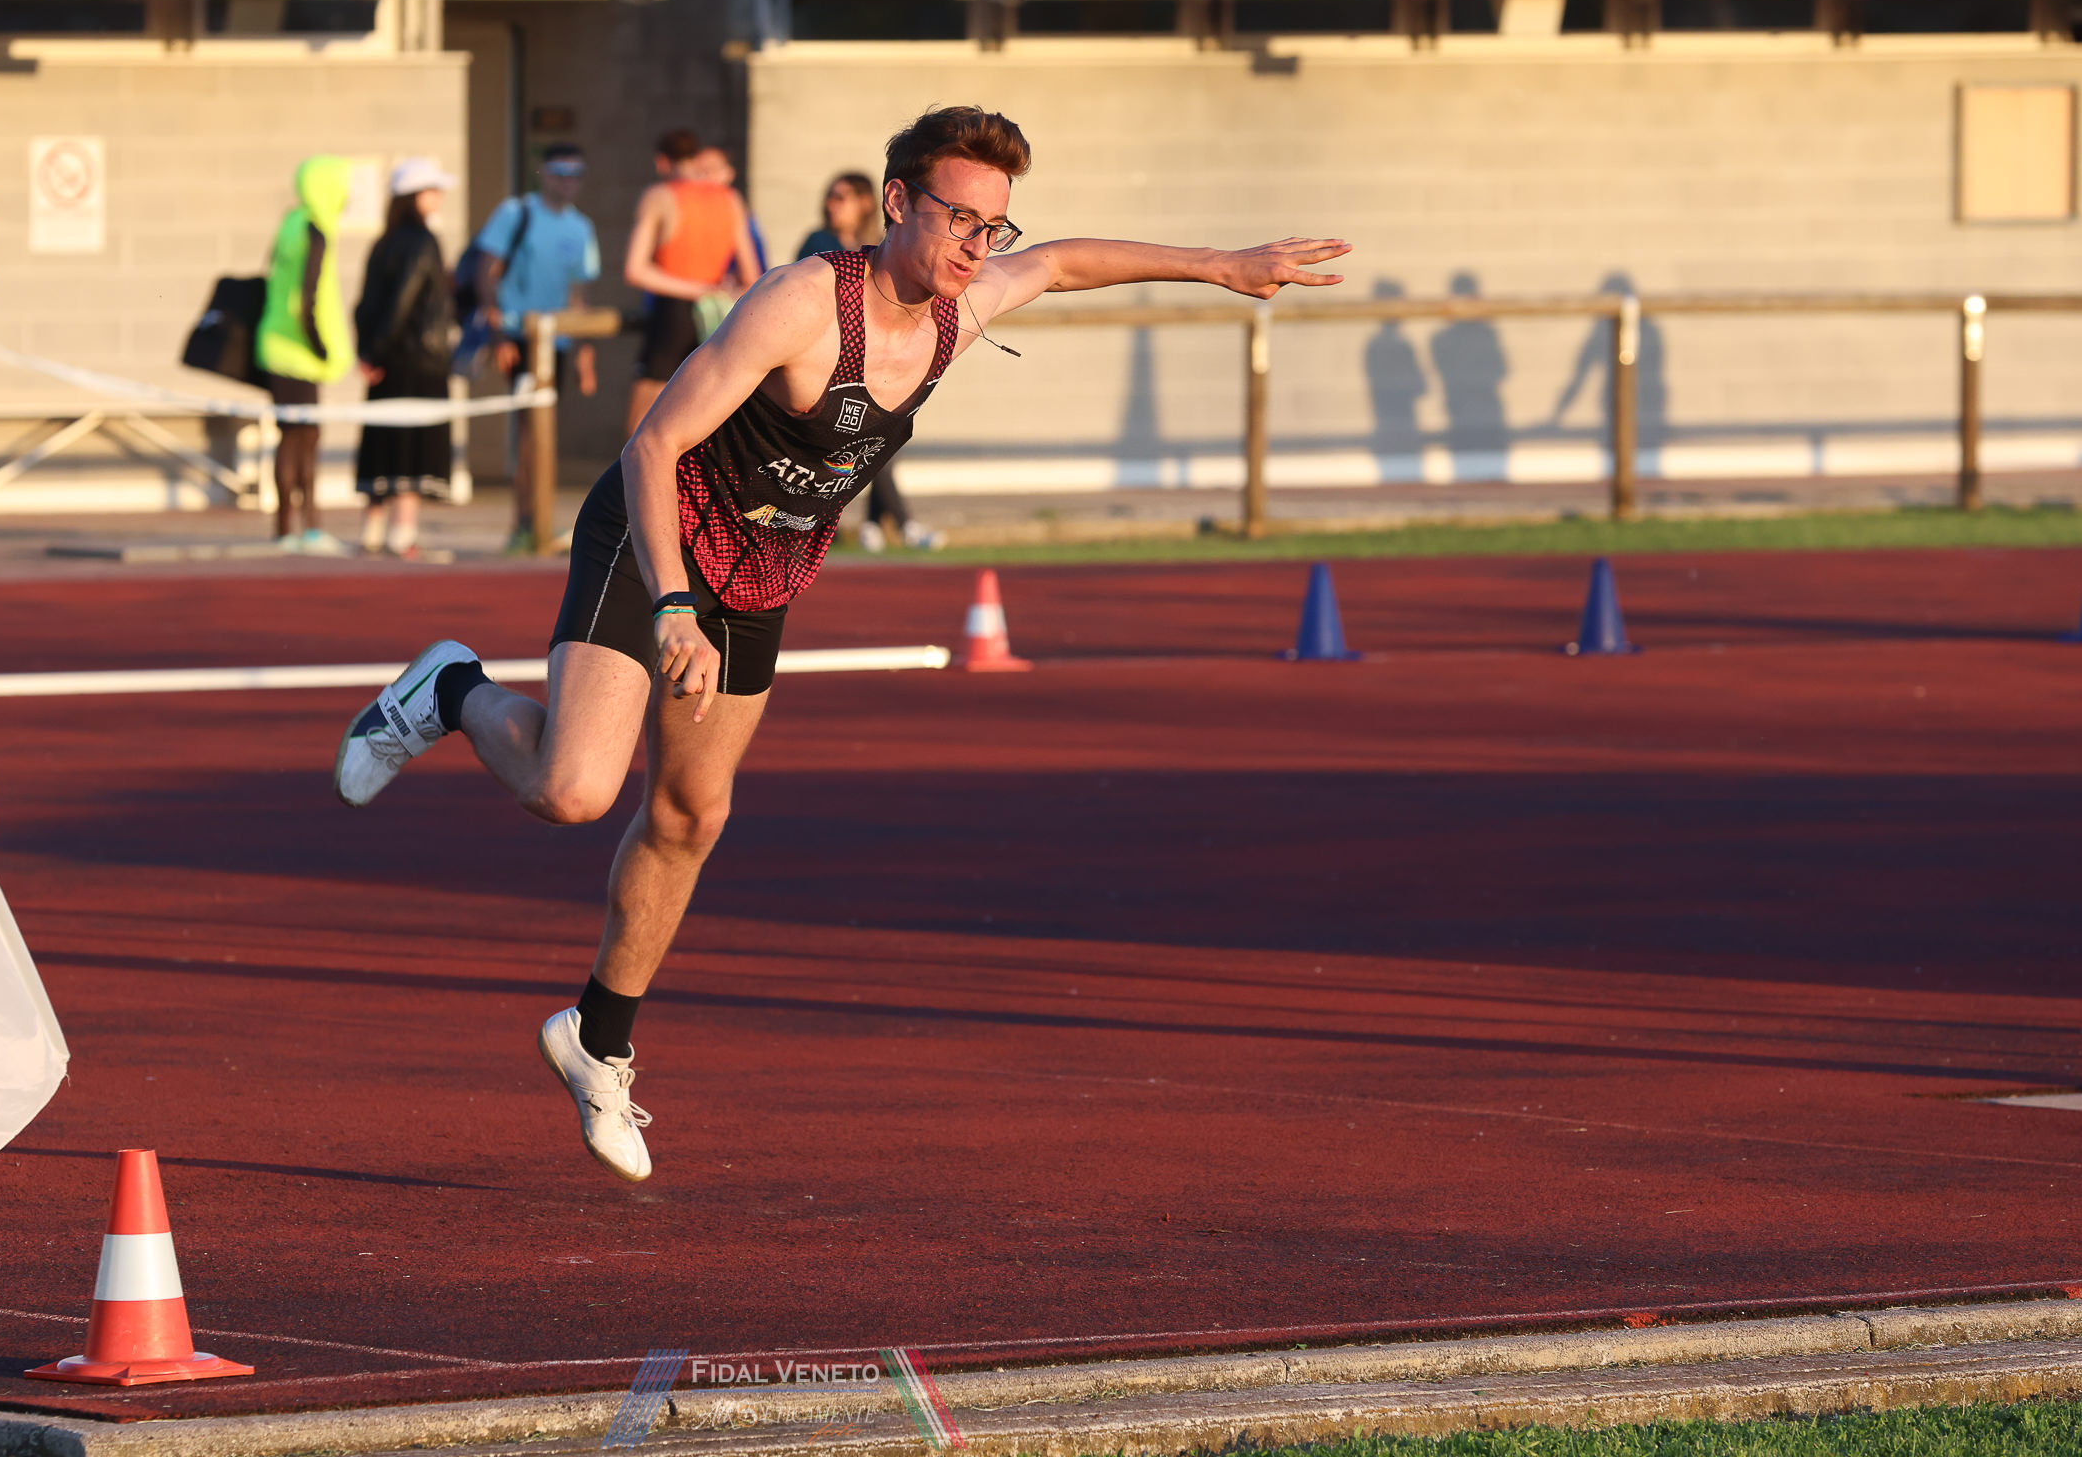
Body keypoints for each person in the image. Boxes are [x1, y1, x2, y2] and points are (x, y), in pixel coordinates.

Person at [333, 106, 1348, 1182]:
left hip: (761, 574)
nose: (978, 246)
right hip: (659, 535)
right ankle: (449, 690)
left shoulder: (965, 305)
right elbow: (654, 443)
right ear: (897, 202)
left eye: (993, 226)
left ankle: (598, 1039)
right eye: (959, 218)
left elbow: (1061, 263)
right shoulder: (804, 303)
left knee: (691, 815)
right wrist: (672, 606)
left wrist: (1221, 265)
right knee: (575, 790)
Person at [469, 142, 602, 546]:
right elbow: (486, 273)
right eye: (560, 173)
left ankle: (537, 519)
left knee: (544, 432)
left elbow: (580, 293)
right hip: (518, 335)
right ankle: (524, 523)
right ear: (543, 173)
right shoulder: (516, 213)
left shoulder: (581, 227)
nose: (568, 182)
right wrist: (497, 336)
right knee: (528, 432)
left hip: (556, 341)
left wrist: (585, 354)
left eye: (576, 174)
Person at [798, 170, 937, 552]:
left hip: (871, 360)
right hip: (828, 362)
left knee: (879, 440)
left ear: (864, 202)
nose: (831, 204)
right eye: (830, 196)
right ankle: (903, 524)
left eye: (840, 197)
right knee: (866, 442)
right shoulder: (817, 242)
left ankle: (876, 523)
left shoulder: (877, 246)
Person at [351, 158, 459, 559]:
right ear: (413, 196)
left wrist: (368, 352)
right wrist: (379, 349)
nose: (439, 196)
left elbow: (364, 305)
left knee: (383, 444)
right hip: (418, 360)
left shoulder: (383, 242)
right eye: (431, 189)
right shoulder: (423, 241)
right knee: (412, 449)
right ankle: (403, 533)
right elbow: (402, 302)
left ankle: (372, 530)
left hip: (386, 361)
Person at [622, 131, 760, 433]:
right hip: (717, 313)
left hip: (674, 312)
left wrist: (694, 288)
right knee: (702, 418)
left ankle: (628, 469)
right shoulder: (730, 199)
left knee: (644, 420)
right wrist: (715, 290)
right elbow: (751, 274)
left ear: (661, 162)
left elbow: (635, 270)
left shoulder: (661, 195)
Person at [260, 156, 355, 555]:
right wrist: (320, 346)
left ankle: (286, 527)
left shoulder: (291, 222)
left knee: (290, 435)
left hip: (276, 343)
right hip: (298, 351)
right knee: (305, 438)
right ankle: (308, 526)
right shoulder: (316, 229)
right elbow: (308, 294)